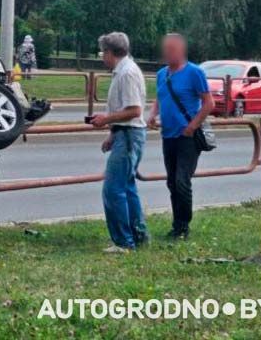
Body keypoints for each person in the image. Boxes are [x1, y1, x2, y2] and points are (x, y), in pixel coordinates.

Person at [147, 34, 214, 240]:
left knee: (182, 181)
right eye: (166, 48)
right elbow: (160, 97)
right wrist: (152, 114)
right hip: (168, 135)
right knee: (172, 182)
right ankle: (177, 224)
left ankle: (183, 227)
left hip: (187, 137)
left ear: (181, 50)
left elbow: (208, 103)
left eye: (172, 48)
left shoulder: (195, 73)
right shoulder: (161, 74)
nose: (167, 52)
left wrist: (192, 127)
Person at [90, 32, 149, 253]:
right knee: (127, 186)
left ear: (109, 52)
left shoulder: (127, 74)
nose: (101, 57)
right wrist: (112, 134)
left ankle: (123, 242)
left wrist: (106, 120)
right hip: (125, 135)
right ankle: (138, 234)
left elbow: (134, 110)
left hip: (129, 135)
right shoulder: (124, 71)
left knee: (113, 189)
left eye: (102, 52)